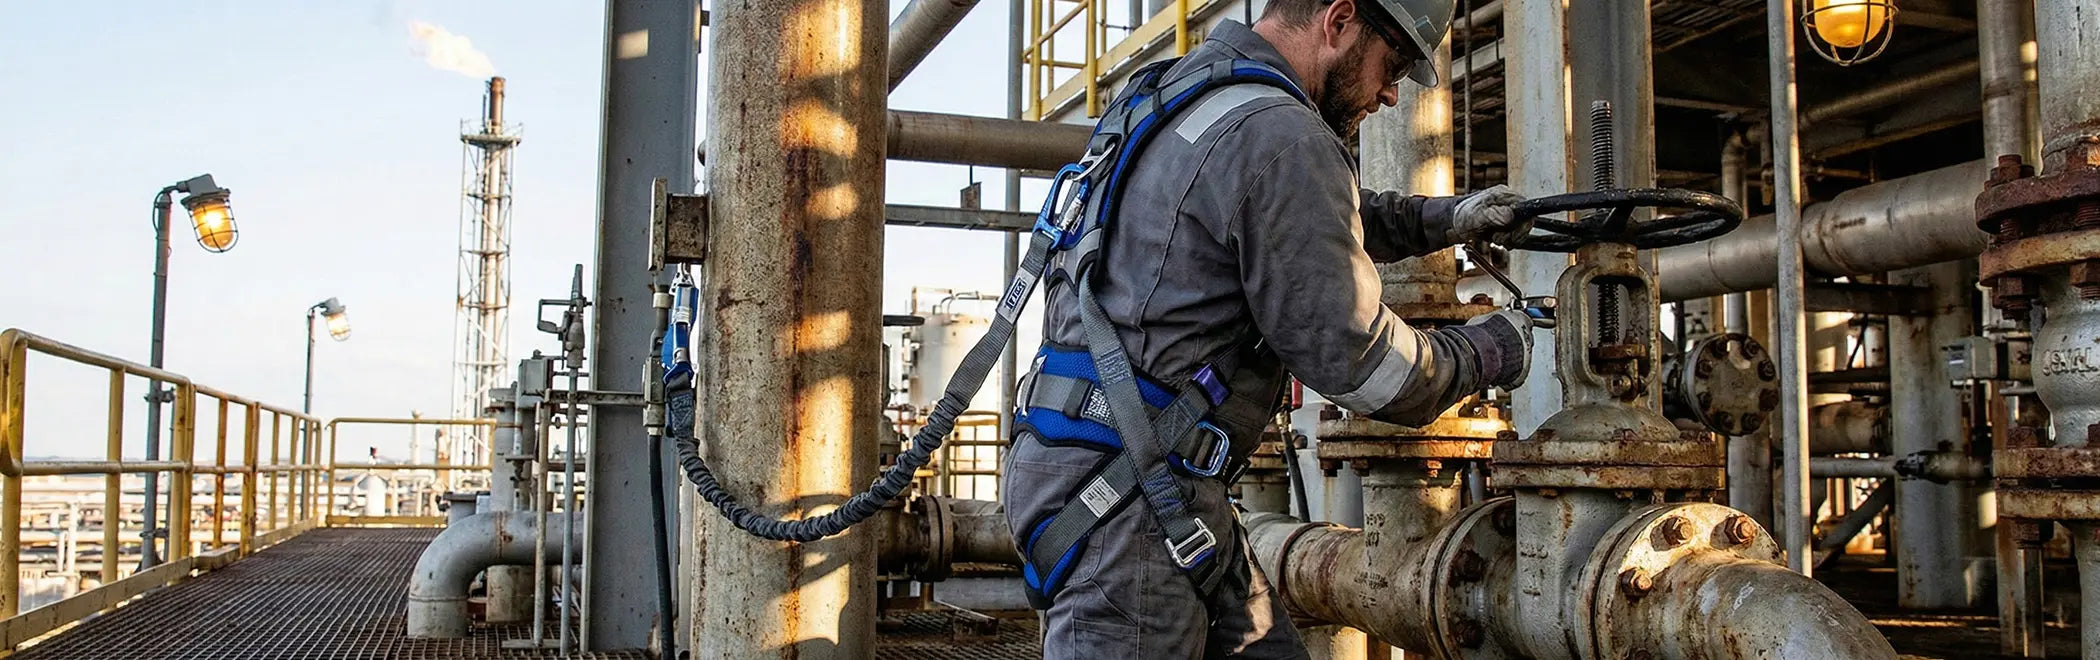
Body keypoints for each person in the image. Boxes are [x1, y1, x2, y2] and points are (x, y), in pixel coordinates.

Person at [1002, 0, 1535, 657]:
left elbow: (1304, 214)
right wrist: (1495, 348)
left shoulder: (1174, 90)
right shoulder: (1282, 134)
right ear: (1339, 20)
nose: (1392, 93)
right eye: (1392, 63)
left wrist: (1449, 218)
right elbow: (1367, 368)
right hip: (1130, 504)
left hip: (1109, 467)